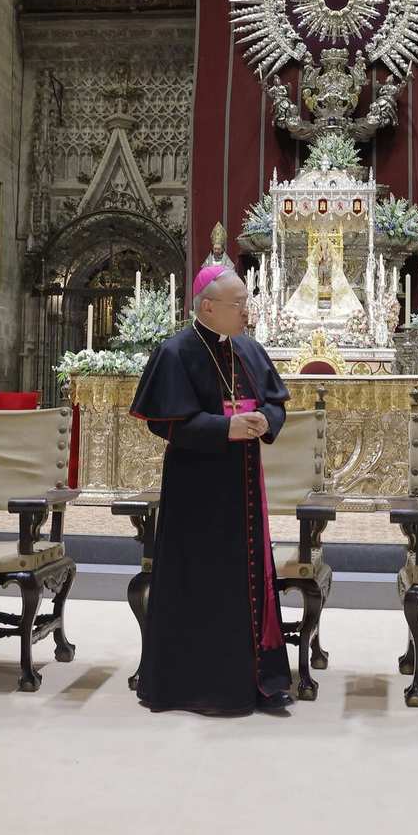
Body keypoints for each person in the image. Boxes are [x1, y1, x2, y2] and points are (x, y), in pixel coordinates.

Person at [129, 265, 293, 714]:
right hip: (196, 493)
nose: (247, 310)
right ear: (208, 306)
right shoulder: (175, 352)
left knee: (247, 580)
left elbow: (276, 403)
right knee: (200, 582)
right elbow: (167, 423)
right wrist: (226, 428)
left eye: (246, 301)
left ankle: (257, 679)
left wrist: (264, 422)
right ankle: (198, 685)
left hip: (244, 494)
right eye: (238, 303)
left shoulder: (249, 349)